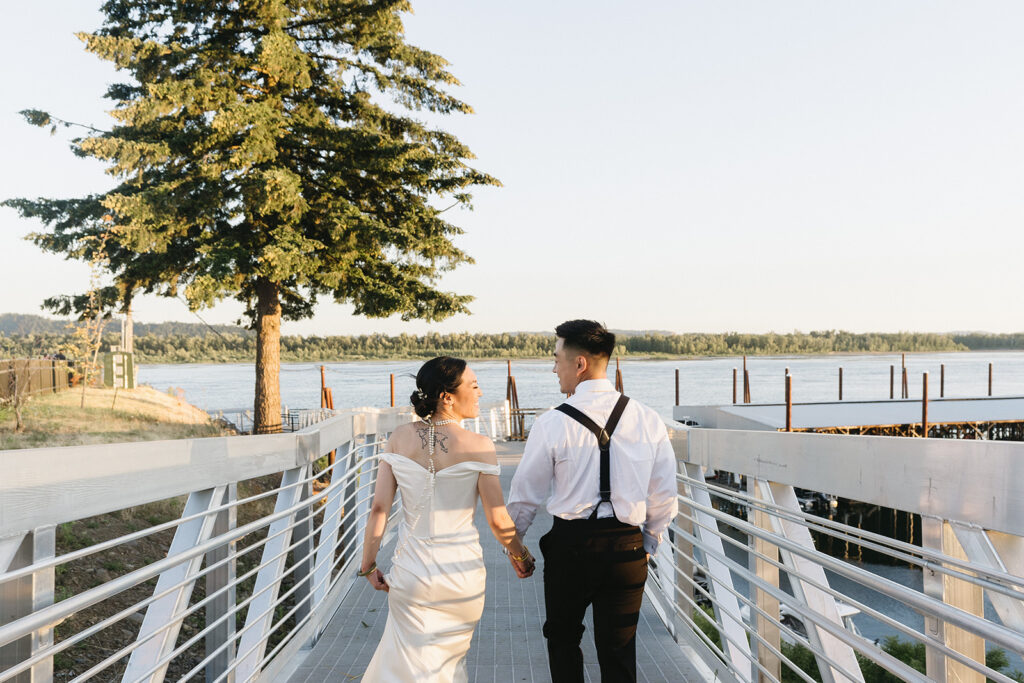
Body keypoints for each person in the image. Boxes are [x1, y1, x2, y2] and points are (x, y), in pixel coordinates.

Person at [507, 320, 678, 683]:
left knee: (563, 639)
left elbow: (525, 494)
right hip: (627, 546)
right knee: (619, 648)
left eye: (557, 360)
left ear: (579, 363)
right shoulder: (648, 419)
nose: (554, 369)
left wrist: (515, 546)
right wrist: (648, 542)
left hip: (571, 547)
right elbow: (663, 494)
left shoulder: (551, 423)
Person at [359, 356, 535, 682]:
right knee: (447, 667)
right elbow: (497, 520)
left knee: (404, 666)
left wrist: (368, 564)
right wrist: (520, 553)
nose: (480, 393)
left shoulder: (398, 437)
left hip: (411, 573)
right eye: (474, 385)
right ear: (447, 396)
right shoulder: (480, 445)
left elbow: (379, 509)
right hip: (460, 577)